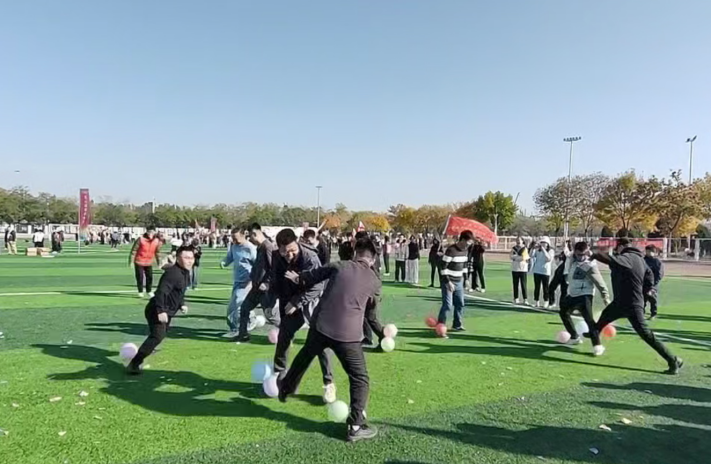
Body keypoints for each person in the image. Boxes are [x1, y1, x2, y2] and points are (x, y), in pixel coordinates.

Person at [278, 237, 381, 442]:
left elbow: (313, 276)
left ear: (355, 254)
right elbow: (371, 316)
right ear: (373, 259)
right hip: (348, 336)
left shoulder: (339, 266)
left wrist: (298, 278)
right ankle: (355, 425)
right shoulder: (375, 281)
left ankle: (286, 388)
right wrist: (381, 332)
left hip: (321, 326)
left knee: (305, 355)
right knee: (359, 378)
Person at [591, 238, 683, 374]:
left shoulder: (629, 257)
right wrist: (648, 290)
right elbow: (649, 276)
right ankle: (594, 336)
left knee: (646, 334)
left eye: (617, 248)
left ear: (622, 247)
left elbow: (611, 260)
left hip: (631, 304)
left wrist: (595, 254)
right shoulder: (640, 260)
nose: (617, 251)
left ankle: (673, 360)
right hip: (622, 303)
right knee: (600, 323)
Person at [270, 228, 336, 403]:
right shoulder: (277, 256)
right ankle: (281, 376)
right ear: (279, 249)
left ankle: (329, 382)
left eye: (292, 250)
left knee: (319, 341)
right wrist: (272, 302)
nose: (289, 255)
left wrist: (297, 301)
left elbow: (318, 287)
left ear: (297, 243)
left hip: (313, 301)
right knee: (284, 334)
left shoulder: (310, 258)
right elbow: (276, 281)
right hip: (290, 303)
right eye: (285, 252)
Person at [126, 246, 194, 374]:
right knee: (158, 336)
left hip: (167, 311)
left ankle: (148, 349)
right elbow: (161, 293)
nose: (189, 261)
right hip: (156, 310)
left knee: (159, 335)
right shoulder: (173, 274)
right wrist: (160, 311)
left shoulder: (185, 273)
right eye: (186, 258)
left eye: (191, 258)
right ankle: (134, 364)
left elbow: (179, 291)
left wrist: (182, 304)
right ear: (178, 258)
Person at [558, 241, 611, 356]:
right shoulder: (572, 259)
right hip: (573, 294)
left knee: (589, 320)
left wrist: (605, 297)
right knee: (563, 312)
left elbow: (600, 283)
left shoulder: (590, 265)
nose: (581, 257)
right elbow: (568, 254)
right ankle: (574, 337)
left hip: (585, 295)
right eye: (578, 254)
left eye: (583, 254)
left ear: (587, 252)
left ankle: (597, 345)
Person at [235, 223, 278, 342]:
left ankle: (288, 333)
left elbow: (274, 268)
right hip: (256, 288)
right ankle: (243, 335)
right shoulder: (260, 247)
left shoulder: (268, 247)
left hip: (264, 289)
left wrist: (267, 283)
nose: (250, 239)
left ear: (254, 234)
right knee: (244, 309)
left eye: (250, 236)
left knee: (270, 315)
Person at [220, 227, 257, 339]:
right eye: (232, 238)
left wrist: (252, 281)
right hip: (237, 281)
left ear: (243, 235)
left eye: (236, 238)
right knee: (239, 305)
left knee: (234, 306)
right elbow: (230, 257)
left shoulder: (250, 248)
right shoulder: (234, 246)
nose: (234, 240)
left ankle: (235, 329)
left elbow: (257, 265)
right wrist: (224, 262)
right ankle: (251, 319)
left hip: (247, 282)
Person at [438, 231, 474, 333]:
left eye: (470, 243)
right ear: (462, 240)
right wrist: (448, 282)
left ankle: (457, 325)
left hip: (459, 281)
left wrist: (466, 279)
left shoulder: (465, 251)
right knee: (447, 305)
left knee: (460, 303)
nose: (468, 245)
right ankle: (440, 325)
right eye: (467, 243)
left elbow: (464, 266)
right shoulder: (451, 250)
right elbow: (443, 267)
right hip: (448, 281)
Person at [128, 229, 162, 298]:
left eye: (152, 232)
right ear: (147, 232)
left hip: (149, 262)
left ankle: (149, 291)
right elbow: (134, 250)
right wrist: (131, 261)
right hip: (139, 261)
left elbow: (157, 252)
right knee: (140, 277)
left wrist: (159, 262)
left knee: (149, 277)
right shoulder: (141, 239)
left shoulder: (156, 241)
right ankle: (140, 291)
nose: (151, 234)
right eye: (150, 232)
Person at [531, 237, 554, 308]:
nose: (542, 244)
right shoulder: (538, 250)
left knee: (545, 288)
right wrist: (533, 248)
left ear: (547, 244)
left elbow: (548, 259)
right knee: (537, 287)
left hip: (545, 271)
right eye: (541, 242)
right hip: (537, 270)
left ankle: (546, 301)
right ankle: (536, 301)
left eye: (544, 243)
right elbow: (531, 255)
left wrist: (543, 249)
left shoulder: (551, 251)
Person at [644, 245, 664, 319]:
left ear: (653, 252)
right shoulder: (643, 260)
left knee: (652, 299)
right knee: (642, 299)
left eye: (649, 251)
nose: (647, 253)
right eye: (647, 251)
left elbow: (659, 274)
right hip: (643, 283)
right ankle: (641, 313)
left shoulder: (657, 262)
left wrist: (653, 285)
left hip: (652, 285)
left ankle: (653, 314)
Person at [510, 237, 530, 305]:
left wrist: (516, 258)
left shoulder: (525, 249)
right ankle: (516, 298)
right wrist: (517, 257)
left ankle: (525, 299)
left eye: (519, 240)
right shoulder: (513, 248)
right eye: (517, 240)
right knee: (515, 284)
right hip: (515, 269)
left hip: (523, 269)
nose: (518, 241)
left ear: (522, 241)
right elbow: (511, 256)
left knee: (523, 284)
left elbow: (523, 258)